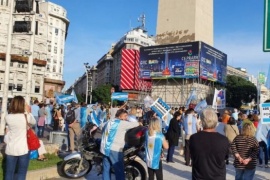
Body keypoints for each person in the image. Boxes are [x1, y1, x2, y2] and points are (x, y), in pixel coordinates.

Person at [190, 108, 229, 180]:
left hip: (199, 176)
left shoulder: (194, 138)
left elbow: (193, 156)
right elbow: (225, 157)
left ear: (202, 121)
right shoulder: (223, 140)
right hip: (218, 176)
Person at [100, 109, 139, 180]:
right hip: (115, 150)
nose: (126, 118)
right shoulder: (122, 123)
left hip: (105, 148)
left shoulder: (110, 121)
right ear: (120, 116)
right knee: (119, 170)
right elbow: (136, 124)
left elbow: (101, 127)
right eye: (125, 116)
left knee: (106, 168)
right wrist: (139, 123)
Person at [4, 96, 36, 180]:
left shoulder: (8, 117)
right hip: (23, 148)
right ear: (22, 105)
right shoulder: (26, 117)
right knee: (21, 172)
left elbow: (8, 131)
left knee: (9, 172)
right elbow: (34, 122)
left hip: (11, 148)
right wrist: (28, 111)